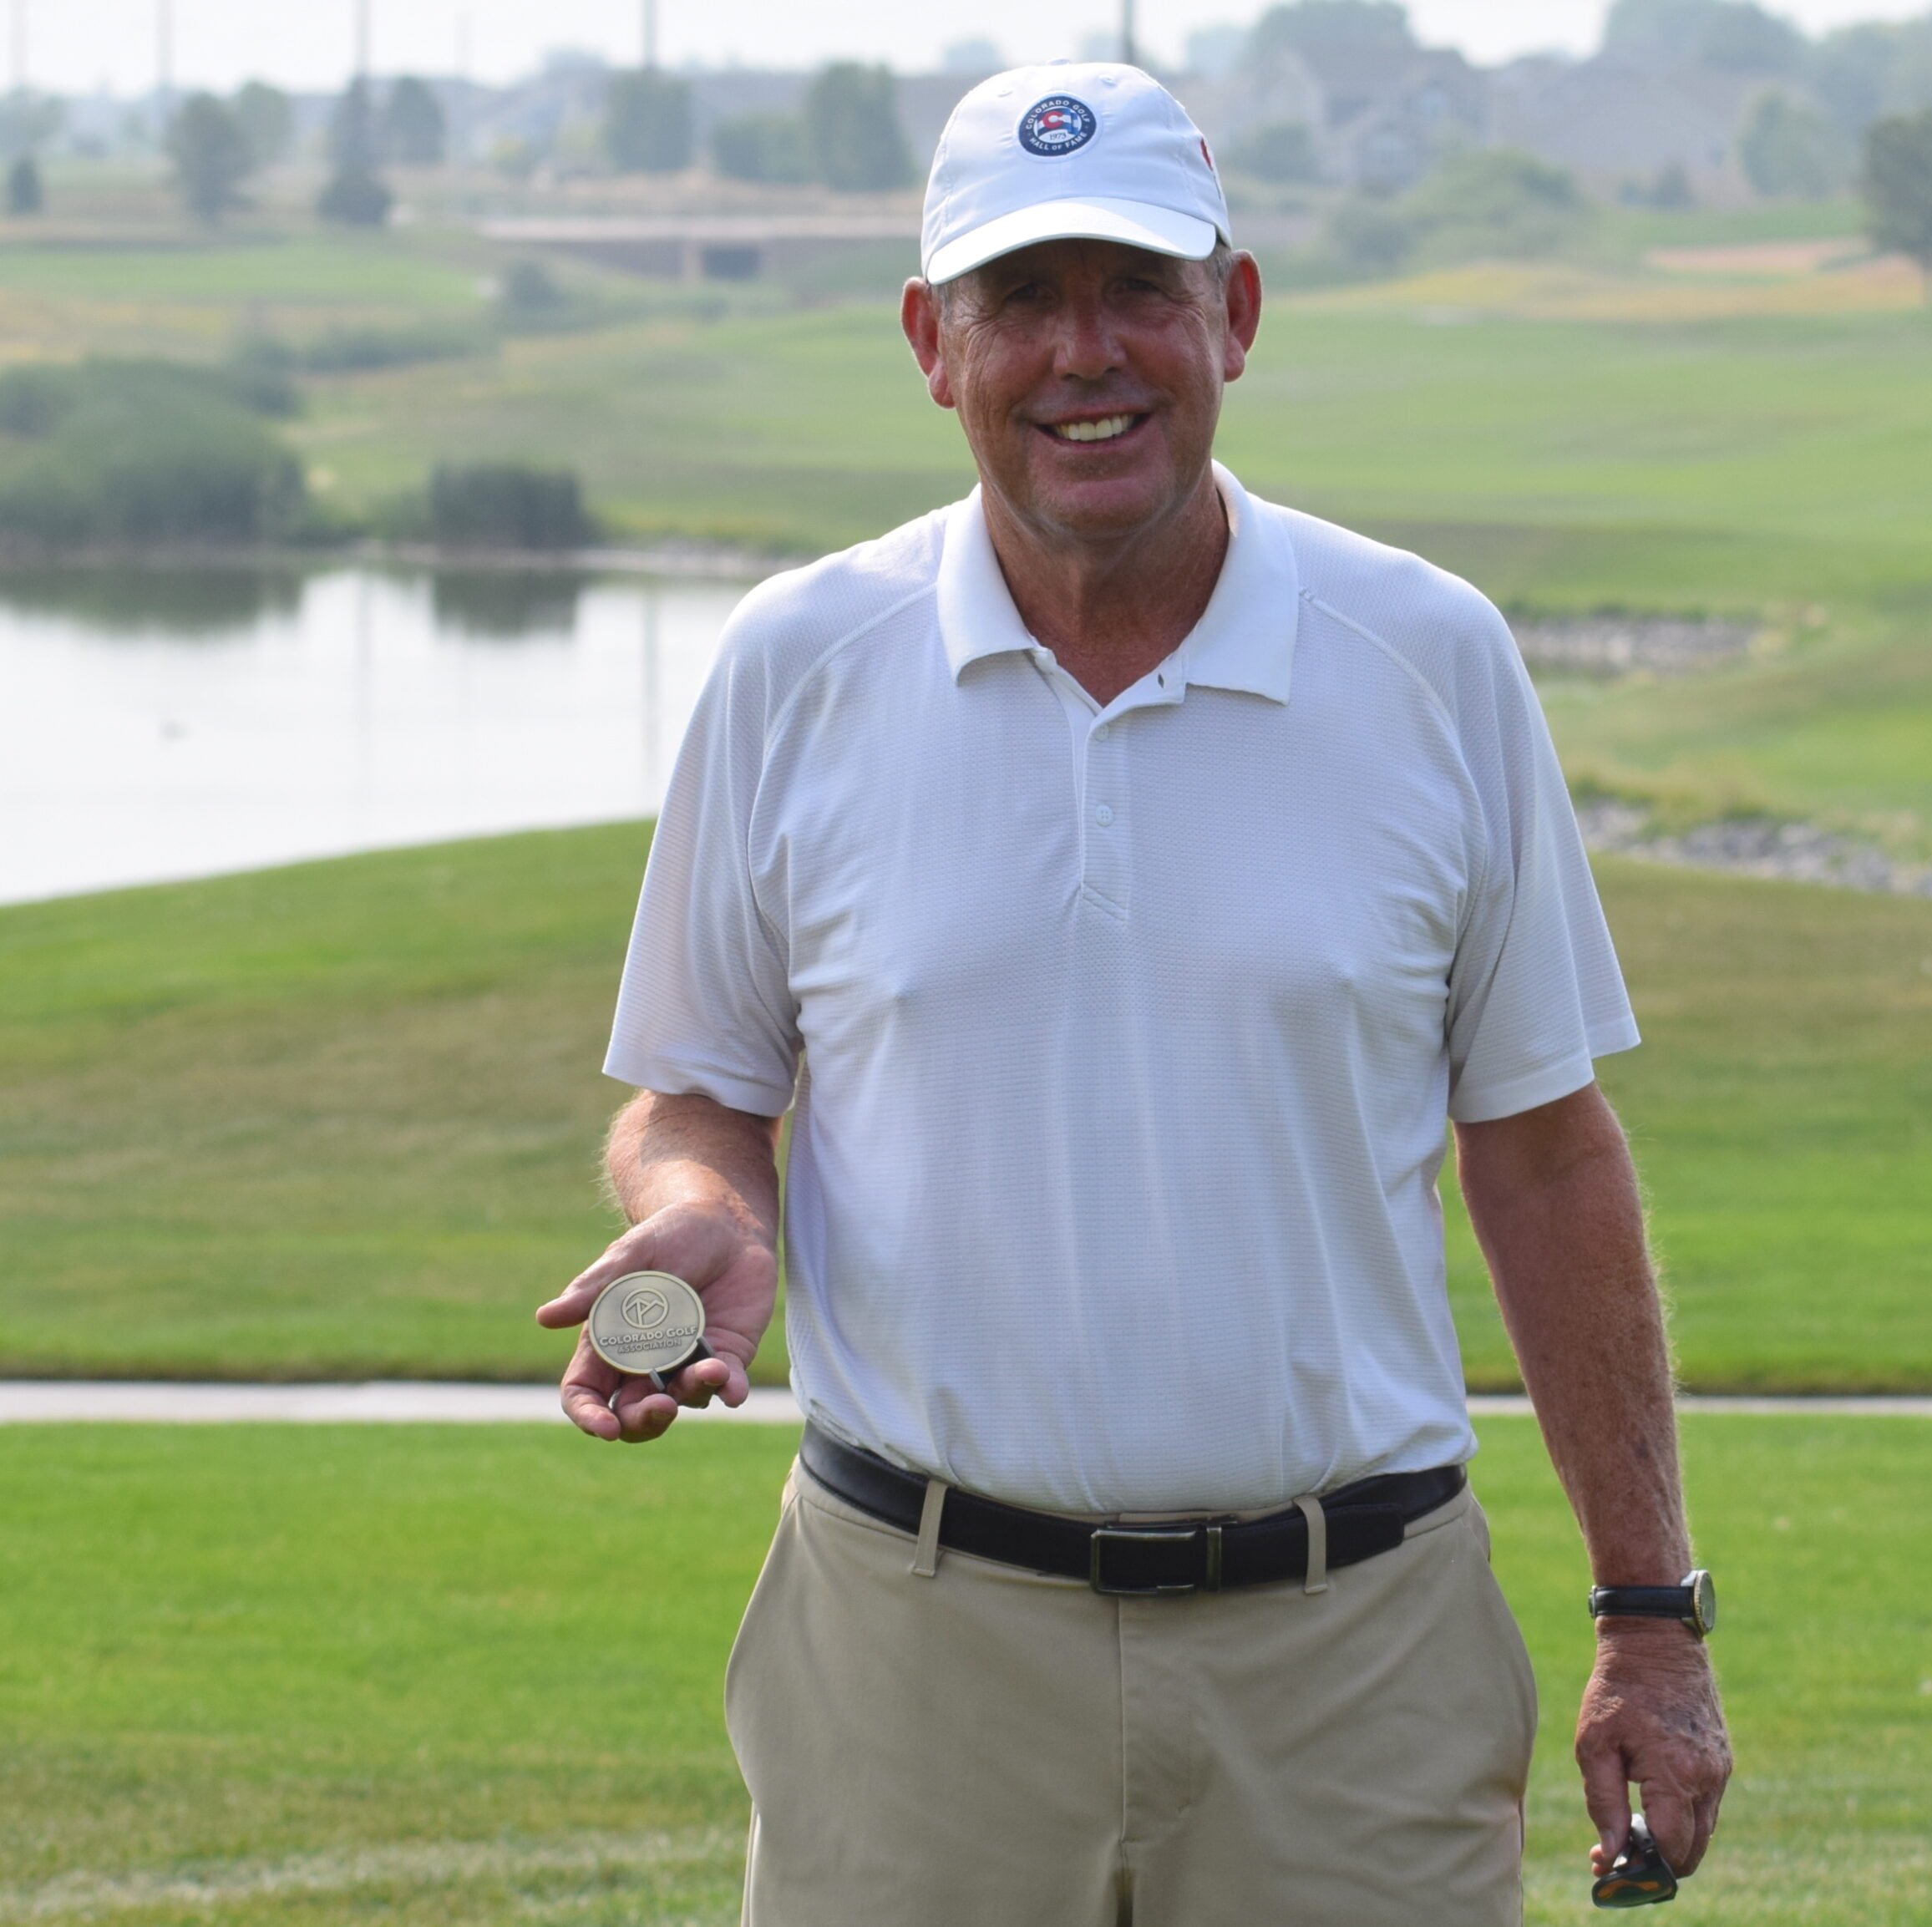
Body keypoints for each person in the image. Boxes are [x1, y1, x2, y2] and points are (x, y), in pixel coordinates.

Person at [537, 61, 1732, 1925]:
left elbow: (1544, 1152)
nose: (1082, 353)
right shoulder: (798, 661)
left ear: (1232, 314)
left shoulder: (1427, 657)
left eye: (1136, 291)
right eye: (1020, 298)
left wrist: (1649, 1616)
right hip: (912, 1655)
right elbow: (698, 1087)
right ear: (932, 345)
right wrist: (705, 1207)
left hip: (1352, 1660)